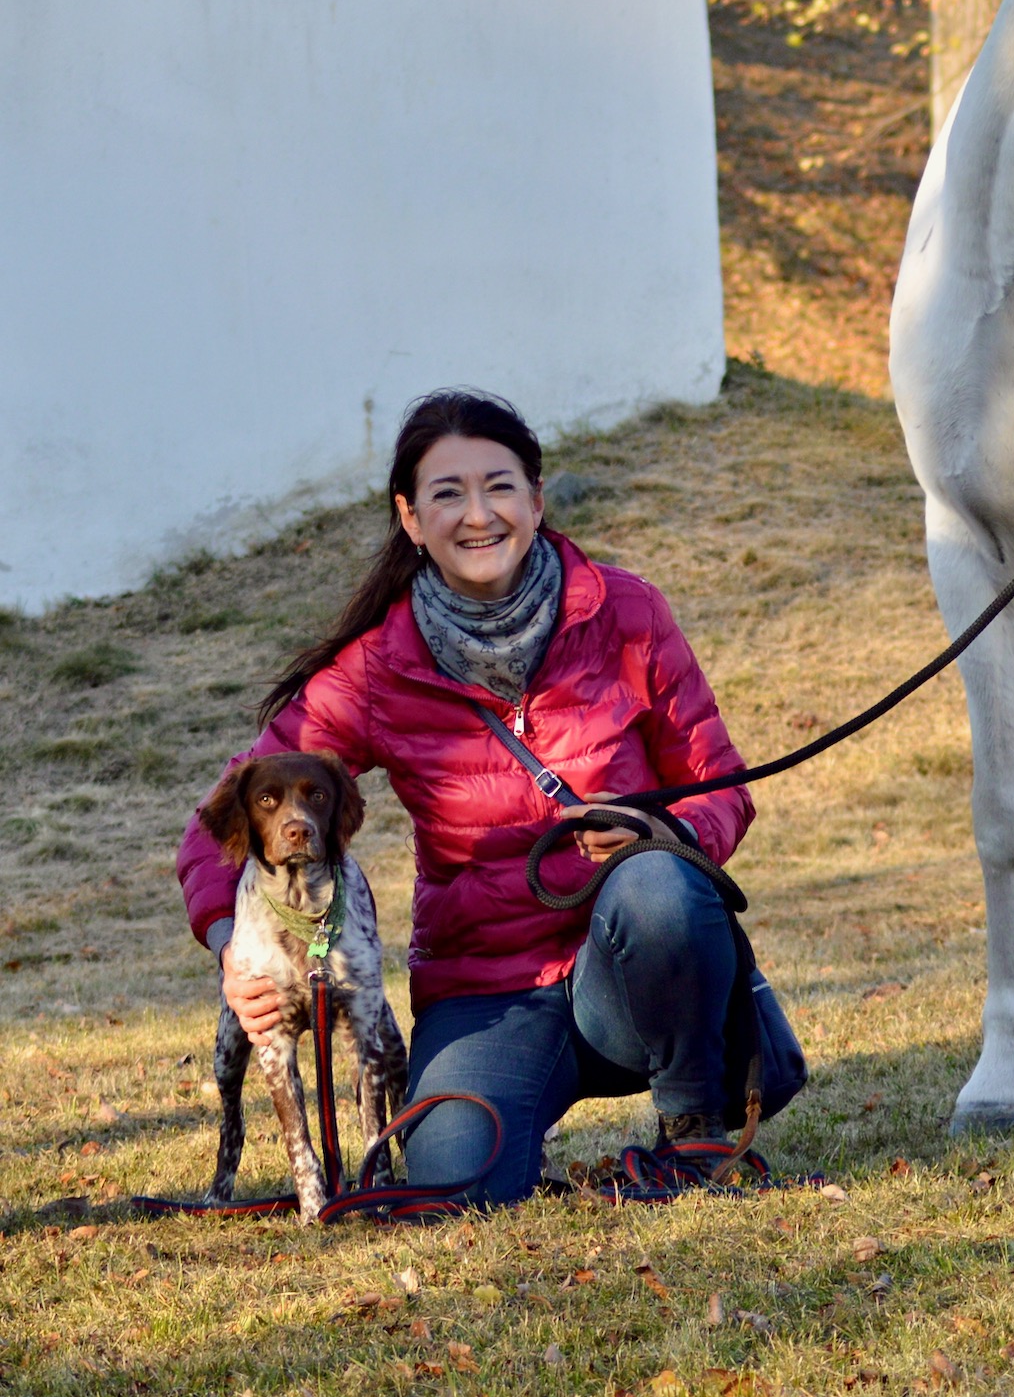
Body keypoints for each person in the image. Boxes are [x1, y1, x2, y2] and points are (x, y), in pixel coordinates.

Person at [176, 389, 756, 1204]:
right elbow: (220, 821)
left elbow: (723, 787)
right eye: (448, 494)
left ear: (537, 500)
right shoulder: (376, 669)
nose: (478, 515)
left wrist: (656, 831)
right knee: (455, 1185)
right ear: (411, 519)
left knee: (658, 881)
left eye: (500, 487)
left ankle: (696, 1130)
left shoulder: (627, 613)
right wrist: (232, 948)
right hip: (487, 990)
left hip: (631, 971)